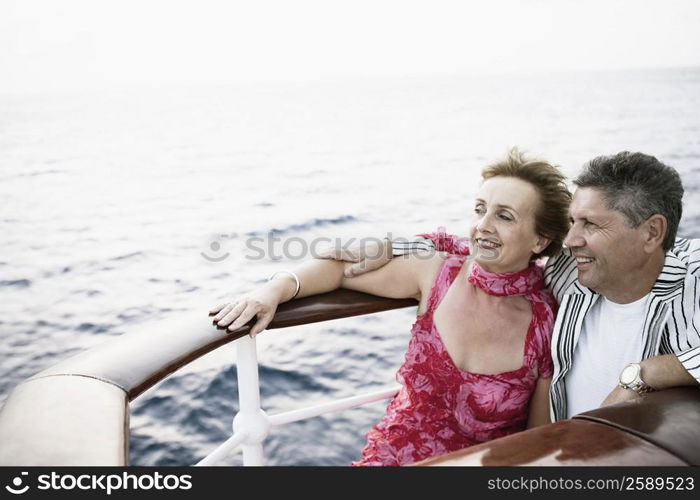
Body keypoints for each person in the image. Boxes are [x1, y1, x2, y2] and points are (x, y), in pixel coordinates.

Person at [208, 148, 572, 465]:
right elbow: (338, 269)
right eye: (479, 209)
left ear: (540, 240)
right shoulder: (437, 272)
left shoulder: (544, 325)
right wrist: (273, 291)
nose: (481, 226)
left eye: (504, 216)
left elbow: (534, 440)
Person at [335, 151, 700, 421]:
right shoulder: (568, 270)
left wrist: (644, 374)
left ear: (652, 232)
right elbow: (491, 251)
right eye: (572, 221)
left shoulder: (692, 276)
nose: (570, 239)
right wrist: (398, 244)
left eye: (590, 225)